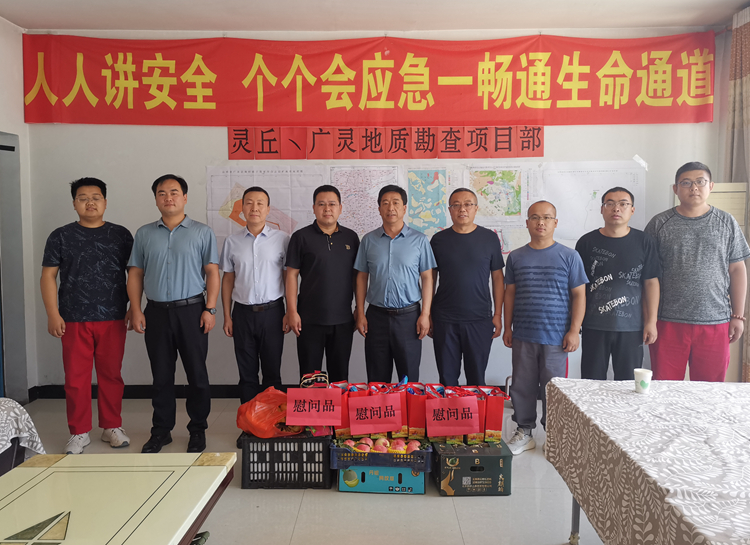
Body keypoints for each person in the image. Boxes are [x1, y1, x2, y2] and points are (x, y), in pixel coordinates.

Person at [127, 174, 219, 454]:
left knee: (197, 374)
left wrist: (210, 308)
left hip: (192, 311)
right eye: (162, 193)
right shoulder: (144, 234)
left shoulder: (202, 232)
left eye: (174, 192)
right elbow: (135, 273)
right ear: (156, 199)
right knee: (161, 375)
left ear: (185, 198)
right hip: (156, 312)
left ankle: (197, 429)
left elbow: (212, 272)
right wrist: (135, 309)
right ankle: (161, 431)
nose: (168, 198)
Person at [41, 177, 133, 454]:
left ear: (105, 202)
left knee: (111, 375)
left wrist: (134, 307)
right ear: (74, 204)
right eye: (83, 198)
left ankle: (112, 426)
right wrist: (53, 313)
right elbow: (48, 276)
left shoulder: (121, 235)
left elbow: (135, 274)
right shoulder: (60, 236)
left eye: (96, 197)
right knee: (75, 379)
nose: (90, 202)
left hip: (113, 316)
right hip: (73, 318)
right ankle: (79, 431)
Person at [645, 162, 750, 382]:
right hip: (668, 322)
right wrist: (649, 319)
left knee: (709, 390)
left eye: (700, 182)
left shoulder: (727, 222)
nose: (694, 187)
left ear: (710, 186)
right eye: (686, 183)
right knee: (665, 388)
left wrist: (738, 316)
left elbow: (737, 269)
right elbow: (648, 276)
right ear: (675, 189)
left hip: (715, 321)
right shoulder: (659, 223)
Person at [503, 200, 587, 455]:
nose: (541, 222)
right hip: (524, 333)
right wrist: (508, 327)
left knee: (553, 388)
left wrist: (574, 330)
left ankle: (554, 435)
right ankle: (524, 431)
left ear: (555, 222)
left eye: (547, 218)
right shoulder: (516, 256)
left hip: (556, 336)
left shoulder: (569, 256)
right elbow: (510, 294)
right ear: (527, 222)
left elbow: (579, 295)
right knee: (522, 385)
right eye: (535, 217)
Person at [220, 186, 290, 448]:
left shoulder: (282, 239)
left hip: (273, 313)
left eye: (260, 203)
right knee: (247, 374)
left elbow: (289, 277)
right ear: (242, 209)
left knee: (272, 373)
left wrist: (289, 311)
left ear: (268, 209)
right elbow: (228, 279)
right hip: (242, 314)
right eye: (249, 203)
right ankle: (249, 426)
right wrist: (227, 315)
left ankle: (274, 425)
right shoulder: (232, 241)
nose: (255, 208)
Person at [575, 187, 661, 381]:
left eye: (623, 204)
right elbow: (578, 288)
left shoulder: (644, 242)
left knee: (628, 384)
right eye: (610, 203)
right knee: (591, 382)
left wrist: (651, 322)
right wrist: (575, 324)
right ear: (602, 209)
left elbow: (651, 283)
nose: (616, 208)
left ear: (632, 209)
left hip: (631, 327)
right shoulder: (586, 242)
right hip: (594, 325)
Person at [354, 184, 436, 382]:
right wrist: (360, 312)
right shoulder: (368, 240)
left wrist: (425, 314)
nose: (390, 208)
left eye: (396, 203)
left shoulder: (420, 240)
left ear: (404, 208)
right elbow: (362, 277)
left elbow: (427, 277)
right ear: (379, 208)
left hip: (409, 318)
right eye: (385, 203)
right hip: (376, 317)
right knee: (377, 379)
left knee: (409, 378)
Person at [285, 185, 360, 383]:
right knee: (310, 379)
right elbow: (291, 276)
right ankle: (312, 407)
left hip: (343, 320)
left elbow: (358, 277)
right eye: (321, 204)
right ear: (313, 208)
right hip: (309, 320)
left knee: (340, 378)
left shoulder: (351, 237)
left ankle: (339, 406)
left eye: (332, 204)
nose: (327, 209)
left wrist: (359, 310)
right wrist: (291, 311)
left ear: (340, 208)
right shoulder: (301, 237)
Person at [430, 188, 504, 386]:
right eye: (456, 205)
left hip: (479, 319)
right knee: (447, 379)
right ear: (449, 210)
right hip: (444, 319)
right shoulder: (438, 240)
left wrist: (498, 314)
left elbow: (498, 278)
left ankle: (475, 409)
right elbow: (430, 279)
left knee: (477, 379)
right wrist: (426, 313)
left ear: (476, 208)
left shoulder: (489, 238)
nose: (462, 209)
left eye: (467, 204)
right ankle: (449, 407)